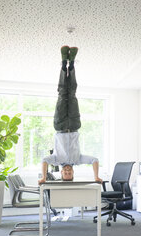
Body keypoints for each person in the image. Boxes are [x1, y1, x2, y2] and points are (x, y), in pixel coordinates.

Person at [38, 46, 102, 185]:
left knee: (62, 94)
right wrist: (96, 177)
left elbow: (44, 160)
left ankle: (63, 64)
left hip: (60, 125)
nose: (67, 171)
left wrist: (43, 177)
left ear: (61, 173)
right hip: (73, 125)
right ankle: (71, 65)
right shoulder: (78, 159)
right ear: (73, 172)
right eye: (69, 173)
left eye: (65, 173)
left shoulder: (56, 159)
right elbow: (95, 160)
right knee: (71, 94)